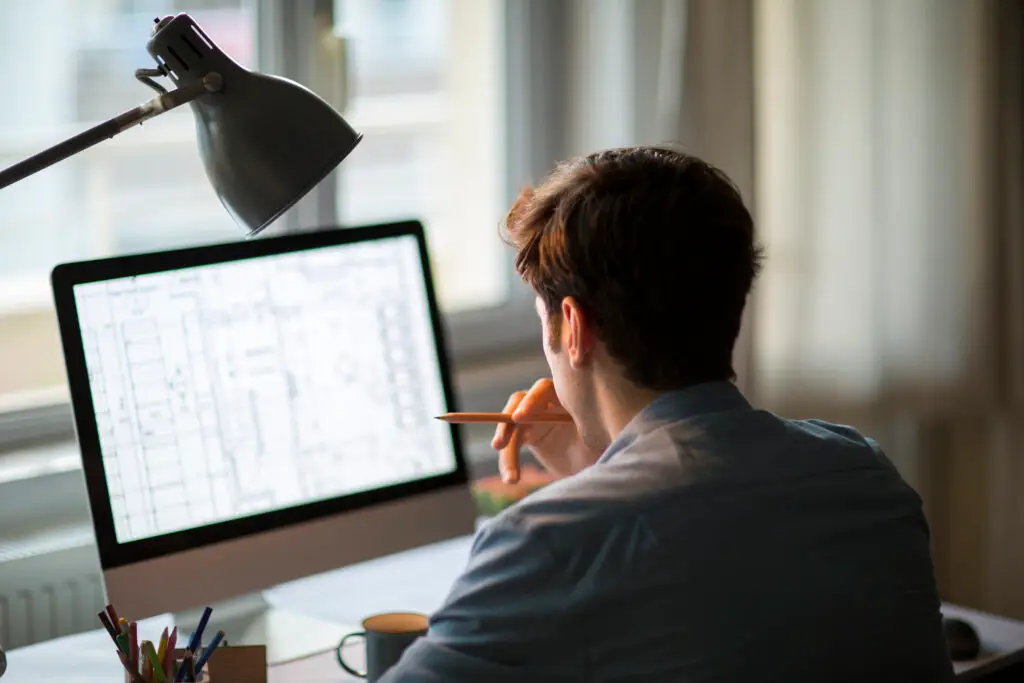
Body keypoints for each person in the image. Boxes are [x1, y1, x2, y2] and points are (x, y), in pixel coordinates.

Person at [380, 146, 954, 682]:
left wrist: (590, 493)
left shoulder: (546, 543)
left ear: (574, 329)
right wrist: (600, 471)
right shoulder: (867, 477)